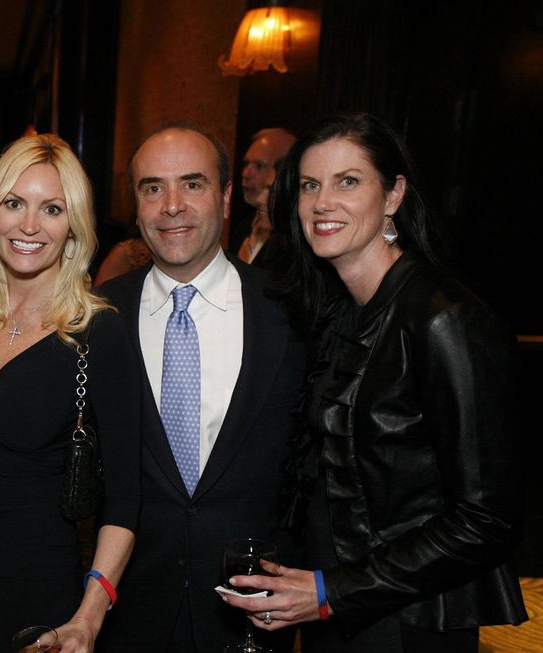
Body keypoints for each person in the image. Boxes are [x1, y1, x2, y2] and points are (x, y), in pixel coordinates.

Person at [222, 113, 527, 651]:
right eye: (311, 185)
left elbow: (485, 519)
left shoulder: (444, 320)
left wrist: (332, 590)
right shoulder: (341, 315)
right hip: (333, 608)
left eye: (348, 181)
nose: (322, 203)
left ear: (393, 196)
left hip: (408, 620)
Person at [95, 122, 305, 652]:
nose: (171, 206)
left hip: (255, 615)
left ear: (227, 196)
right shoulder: (96, 318)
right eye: (152, 188)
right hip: (127, 613)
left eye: (192, 184)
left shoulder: (292, 312)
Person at [0, 134, 140, 652]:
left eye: (52, 209)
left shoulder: (97, 332)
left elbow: (126, 501)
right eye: (14, 203)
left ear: (73, 228)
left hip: (35, 596)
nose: (28, 225)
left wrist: (88, 617)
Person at [233, 127, 296, 268]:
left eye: (259, 166)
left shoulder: (296, 246)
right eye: (246, 164)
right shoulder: (242, 227)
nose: (245, 173)